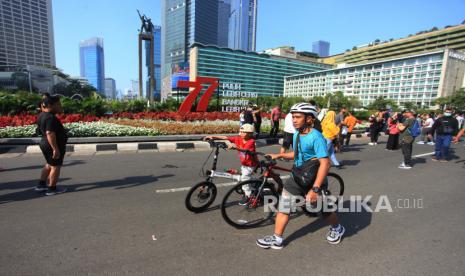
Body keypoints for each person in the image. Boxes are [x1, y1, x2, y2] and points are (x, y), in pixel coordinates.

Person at [256, 103, 345, 249]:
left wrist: (315, 189)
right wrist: (279, 154)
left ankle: (337, 228)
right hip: (297, 176)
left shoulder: (316, 137)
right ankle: (277, 238)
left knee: (324, 211)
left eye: (298, 117)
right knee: (283, 207)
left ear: (309, 119)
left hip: (315, 179)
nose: (294, 120)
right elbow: (298, 154)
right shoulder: (297, 134)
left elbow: (325, 163)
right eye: (293, 117)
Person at [204, 124, 258, 201]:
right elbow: (225, 137)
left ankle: (249, 197)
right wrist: (213, 137)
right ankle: (252, 182)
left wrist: (235, 147)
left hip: (251, 165)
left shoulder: (251, 141)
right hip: (244, 164)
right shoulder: (238, 138)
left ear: (250, 133)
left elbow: (245, 150)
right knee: (243, 178)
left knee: (245, 183)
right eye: (240, 131)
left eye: (244, 132)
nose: (241, 133)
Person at [35, 93, 68, 195]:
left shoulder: (41, 115)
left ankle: (41, 184)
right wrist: (55, 149)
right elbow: (50, 133)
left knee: (49, 164)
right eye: (58, 105)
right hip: (51, 144)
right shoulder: (50, 118)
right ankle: (52, 189)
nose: (60, 107)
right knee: (55, 166)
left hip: (45, 143)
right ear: (50, 105)